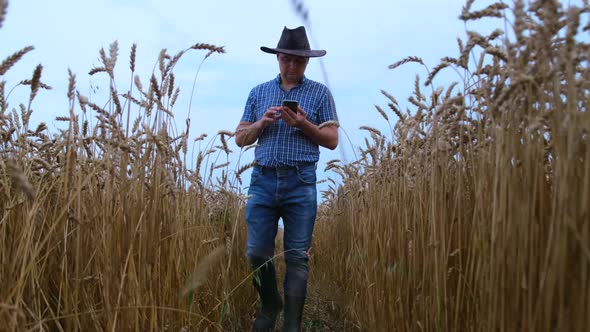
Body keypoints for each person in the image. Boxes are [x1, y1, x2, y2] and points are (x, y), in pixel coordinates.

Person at [235, 26, 339, 332]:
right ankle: (270, 304)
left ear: (306, 62)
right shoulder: (258, 92)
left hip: (301, 182)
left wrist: (305, 123)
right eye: (286, 59)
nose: (291, 66)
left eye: (298, 60)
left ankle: (292, 324)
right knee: (255, 251)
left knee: (297, 258)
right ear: (278, 58)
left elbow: (332, 139)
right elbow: (240, 138)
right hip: (262, 181)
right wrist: (261, 123)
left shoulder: (320, 93)